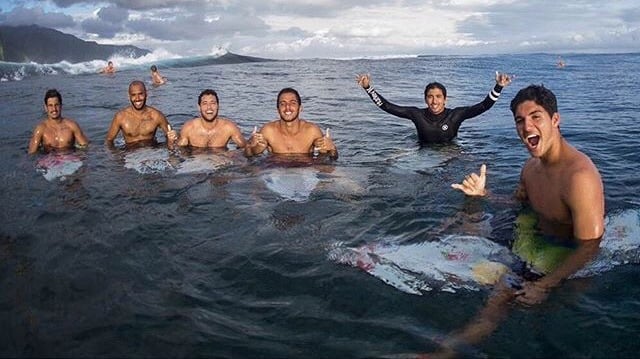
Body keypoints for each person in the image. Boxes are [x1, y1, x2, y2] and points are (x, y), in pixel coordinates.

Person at [440, 84, 605, 356]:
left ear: (555, 120)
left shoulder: (579, 177)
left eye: (535, 116)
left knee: (500, 300)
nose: (527, 126)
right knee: (462, 225)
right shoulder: (530, 168)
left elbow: (590, 246)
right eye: (520, 120)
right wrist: (483, 195)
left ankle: (442, 353)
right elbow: (519, 206)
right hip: (532, 241)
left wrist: (545, 285)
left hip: (565, 255)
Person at [356, 72, 512, 144]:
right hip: (423, 153)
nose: (434, 101)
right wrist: (368, 88)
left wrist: (498, 87)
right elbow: (387, 106)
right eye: (430, 97)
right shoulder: (416, 114)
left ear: (445, 99)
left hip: (450, 153)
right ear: (425, 99)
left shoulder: (456, 115)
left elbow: (484, 106)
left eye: (438, 97)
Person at [244, 87, 338, 159]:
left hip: (305, 170)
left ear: (300, 108)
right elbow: (247, 155)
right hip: (276, 170)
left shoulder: (311, 131)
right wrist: (252, 149)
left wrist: (332, 149)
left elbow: (329, 160)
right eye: (282, 104)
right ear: (278, 110)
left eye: (292, 103)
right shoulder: (268, 131)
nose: (287, 107)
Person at [105, 80, 177, 149]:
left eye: (140, 94)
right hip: (130, 153)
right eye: (133, 95)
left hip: (152, 152)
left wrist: (171, 139)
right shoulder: (120, 117)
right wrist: (116, 156)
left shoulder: (156, 115)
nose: (137, 98)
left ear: (146, 94)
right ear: (129, 96)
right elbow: (109, 140)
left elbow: (171, 136)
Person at [177, 89, 247, 149]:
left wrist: (254, 143)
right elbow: (177, 151)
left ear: (218, 106)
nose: (209, 107)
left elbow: (245, 148)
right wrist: (171, 142)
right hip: (196, 159)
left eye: (213, 103)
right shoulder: (189, 128)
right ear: (199, 107)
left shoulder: (228, 127)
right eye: (205, 103)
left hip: (220, 160)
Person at [28, 89, 89, 154]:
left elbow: (86, 147)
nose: (54, 109)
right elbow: (31, 154)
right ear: (46, 108)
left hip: (69, 158)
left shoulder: (72, 126)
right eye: (50, 105)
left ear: (61, 106)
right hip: (48, 160)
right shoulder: (40, 129)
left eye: (56, 105)